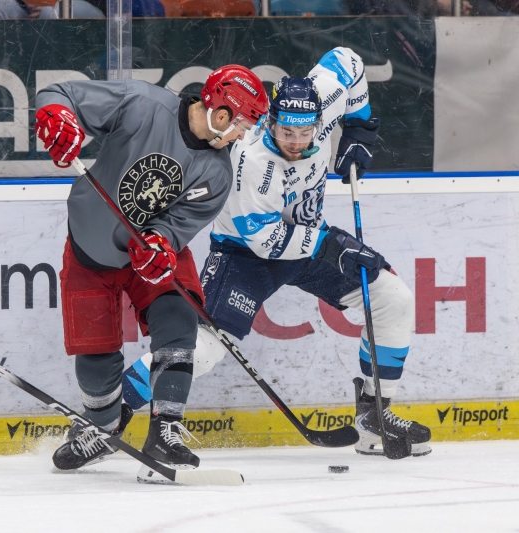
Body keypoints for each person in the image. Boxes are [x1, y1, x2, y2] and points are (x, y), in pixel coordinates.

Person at [122, 47, 432, 457]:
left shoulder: (322, 96)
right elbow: (265, 240)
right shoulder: (252, 161)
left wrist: (359, 127)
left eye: (305, 134)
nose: (295, 142)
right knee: (205, 348)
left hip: (310, 241)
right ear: (270, 120)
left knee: (393, 298)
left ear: (319, 121)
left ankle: (376, 413)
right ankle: (113, 412)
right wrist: (333, 247)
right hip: (245, 254)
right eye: (286, 132)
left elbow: (349, 62)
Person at [34, 67, 268, 478]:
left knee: (179, 317)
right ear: (222, 111)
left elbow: (177, 225)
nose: (242, 136)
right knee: (95, 356)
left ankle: (166, 429)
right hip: (92, 250)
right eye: (242, 124)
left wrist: (162, 240)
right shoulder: (143, 104)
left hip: (152, 255)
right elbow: (60, 92)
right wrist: (57, 115)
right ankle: (102, 428)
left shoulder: (217, 173)